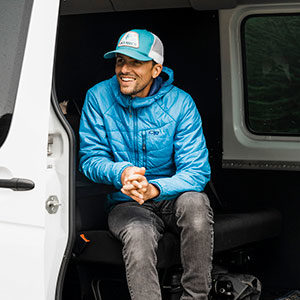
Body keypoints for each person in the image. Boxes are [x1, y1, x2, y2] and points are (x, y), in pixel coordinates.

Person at [79, 29, 214, 300]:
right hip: (125, 201)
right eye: (119, 61)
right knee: (138, 234)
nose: (124, 69)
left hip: (172, 197)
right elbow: (90, 159)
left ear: (156, 69)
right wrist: (122, 173)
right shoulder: (98, 97)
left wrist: (153, 188)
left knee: (196, 204)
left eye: (135, 62)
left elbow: (196, 171)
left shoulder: (181, 103)